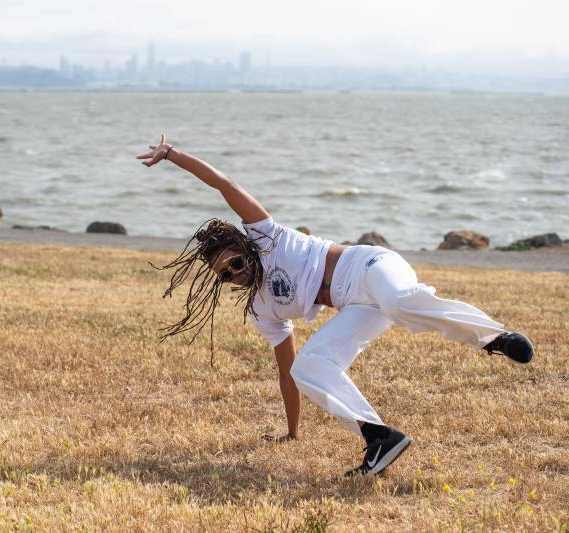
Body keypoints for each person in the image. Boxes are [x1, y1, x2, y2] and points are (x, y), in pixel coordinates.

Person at [137, 134, 534, 477]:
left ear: (245, 248)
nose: (236, 274)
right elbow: (287, 372)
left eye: (236, 263)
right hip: (355, 306)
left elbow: (223, 183)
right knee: (307, 366)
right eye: (225, 274)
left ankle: (494, 337)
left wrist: (172, 154)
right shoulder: (261, 307)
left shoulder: (266, 236)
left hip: (369, 267)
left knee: (398, 302)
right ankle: (378, 436)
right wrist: (293, 433)